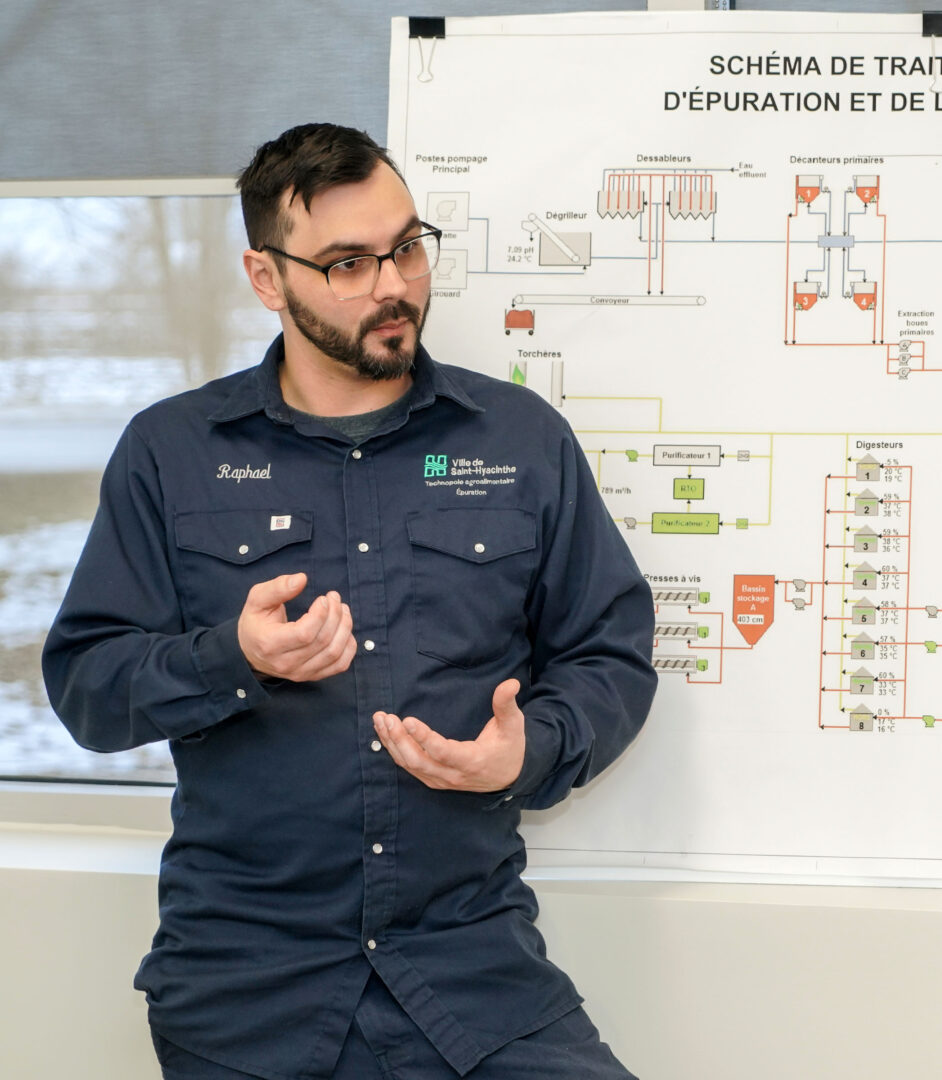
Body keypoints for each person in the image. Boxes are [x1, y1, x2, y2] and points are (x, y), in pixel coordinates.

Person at [42, 123, 657, 1079]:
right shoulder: (172, 450)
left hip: (473, 975)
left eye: (408, 247)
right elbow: (85, 686)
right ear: (265, 277)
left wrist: (527, 749)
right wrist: (231, 660)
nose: (394, 285)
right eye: (347, 262)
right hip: (248, 995)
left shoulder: (521, 438)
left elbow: (609, 653)